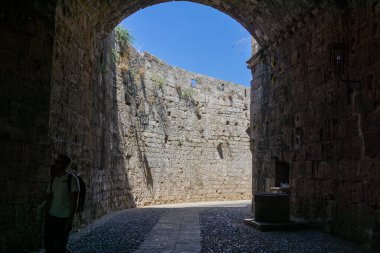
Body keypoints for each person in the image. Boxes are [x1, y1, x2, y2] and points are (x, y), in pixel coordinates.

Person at [45, 154, 79, 253]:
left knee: (60, 247)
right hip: (51, 217)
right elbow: (47, 196)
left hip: (64, 219)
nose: (55, 164)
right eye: (55, 161)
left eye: (58, 162)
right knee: (49, 245)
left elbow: (74, 201)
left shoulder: (71, 179)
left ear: (66, 165)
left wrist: (70, 221)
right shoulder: (53, 179)